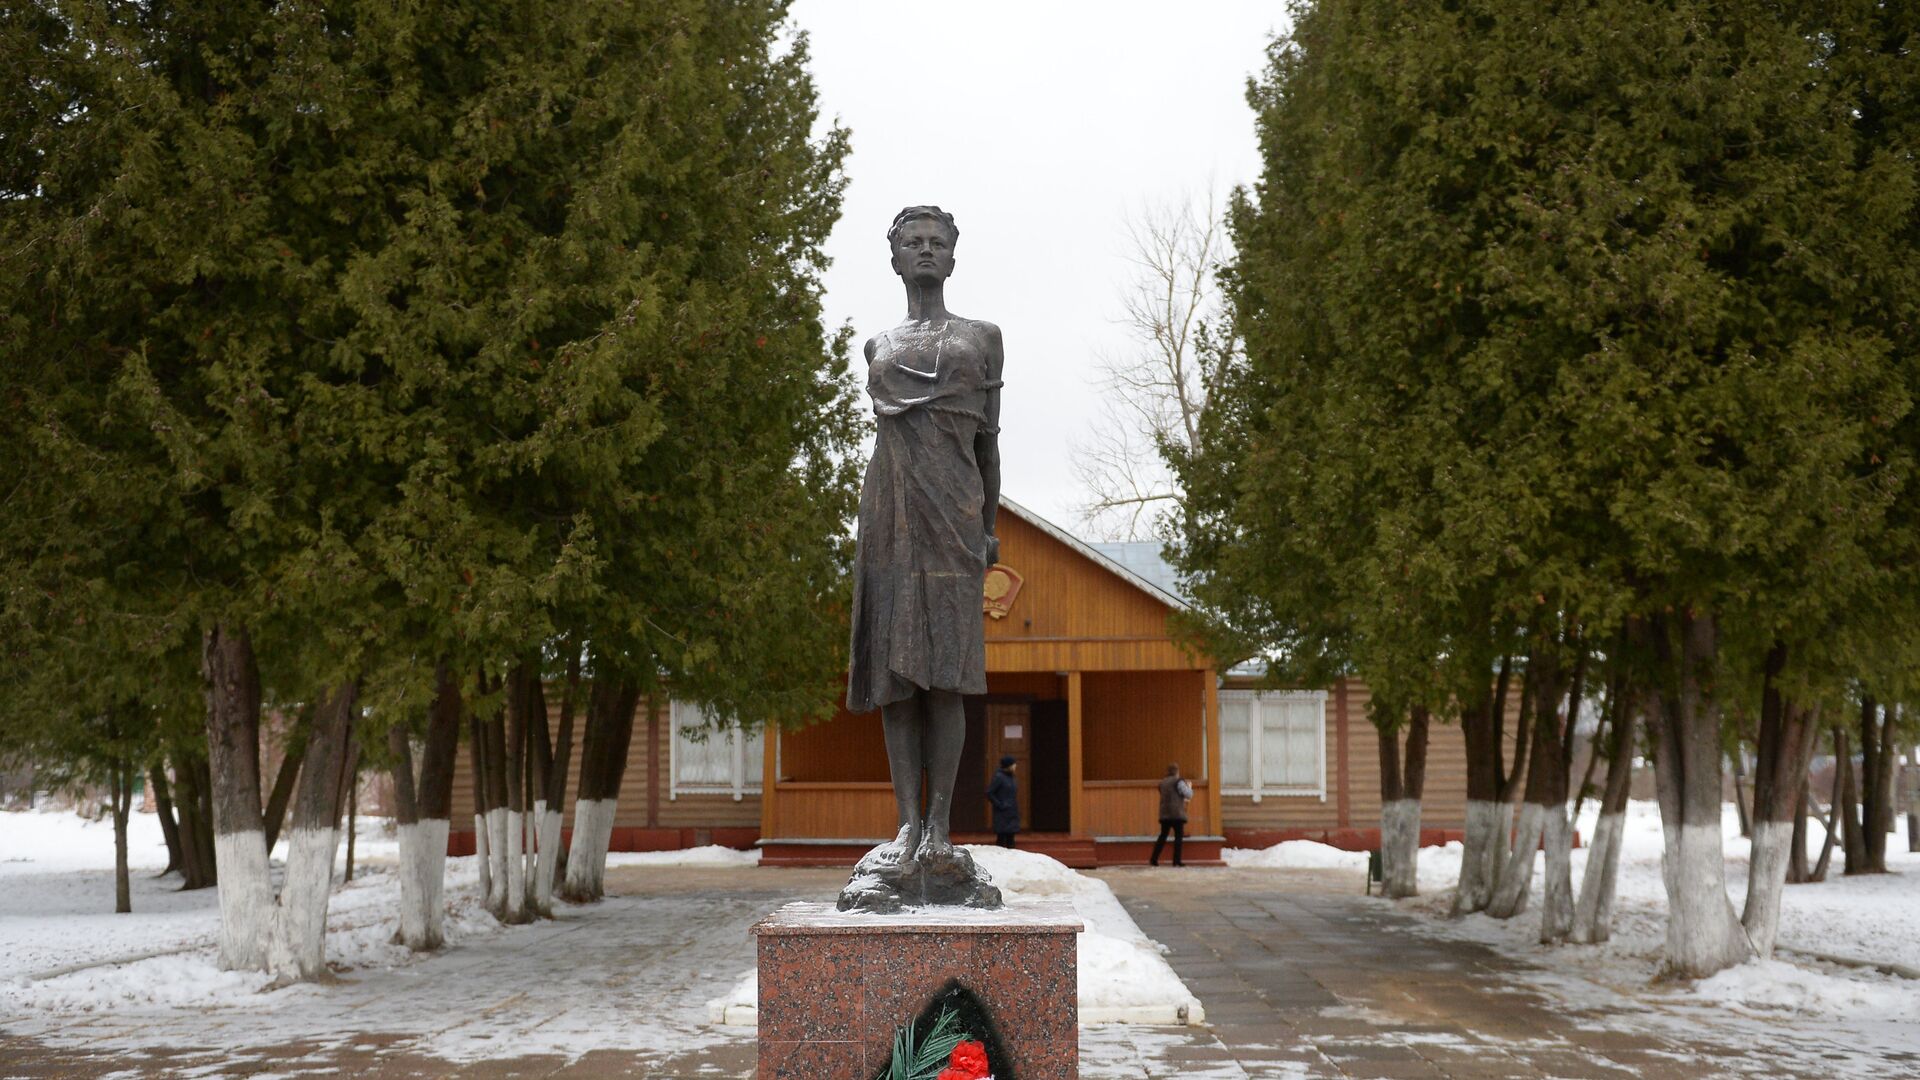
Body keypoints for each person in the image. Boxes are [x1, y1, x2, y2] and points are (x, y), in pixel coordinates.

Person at [839, 205, 1005, 911]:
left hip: (955, 513)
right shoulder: (877, 342)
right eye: (915, 242)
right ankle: (908, 823)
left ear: (954, 257)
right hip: (890, 511)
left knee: (949, 676)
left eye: (939, 242)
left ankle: (942, 829)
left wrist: (989, 525)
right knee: (896, 676)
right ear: (896, 258)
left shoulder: (983, 338)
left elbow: (988, 445)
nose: (927, 251)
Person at [1151, 762, 1192, 867]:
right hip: (1177, 814)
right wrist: (1189, 787)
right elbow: (1188, 794)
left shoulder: (1163, 783)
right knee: (1178, 837)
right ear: (1177, 771)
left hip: (1164, 814)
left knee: (1163, 836)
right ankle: (1176, 861)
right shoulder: (1179, 781)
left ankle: (1154, 859)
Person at [987, 755, 1020, 848]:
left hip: (1012, 810)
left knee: (1011, 839)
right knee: (1001, 840)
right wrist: (1000, 804)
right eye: (1013, 764)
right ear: (1008, 766)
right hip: (1002, 812)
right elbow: (990, 792)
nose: (1015, 766)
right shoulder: (999, 777)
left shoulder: (1011, 777)